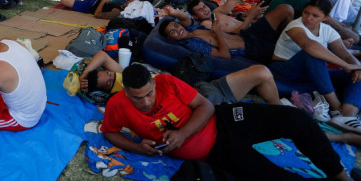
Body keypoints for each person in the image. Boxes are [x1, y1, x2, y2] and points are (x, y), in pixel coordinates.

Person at [101, 63, 361, 181]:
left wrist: (182, 133)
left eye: (149, 94)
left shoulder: (167, 83)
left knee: (295, 118)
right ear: (126, 92)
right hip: (217, 152)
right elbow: (111, 133)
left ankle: (343, 177)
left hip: (225, 118)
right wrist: (138, 148)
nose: (146, 102)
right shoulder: (117, 106)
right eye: (138, 98)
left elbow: (205, 106)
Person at [270, 0, 361, 137]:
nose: (308, 18)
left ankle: (347, 117)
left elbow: (346, 55)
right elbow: (309, 46)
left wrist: (357, 66)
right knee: (314, 54)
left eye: (315, 16)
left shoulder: (328, 30)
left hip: (311, 73)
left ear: (326, 18)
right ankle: (336, 107)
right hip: (285, 70)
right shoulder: (295, 26)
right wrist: (345, 65)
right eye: (306, 13)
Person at [81, 50, 281, 105]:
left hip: (200, 87)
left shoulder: (124, 75)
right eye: (109, 82)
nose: (111, 76)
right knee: (261, 73)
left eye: (108, 73)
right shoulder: (130, 95)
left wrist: (85, 74)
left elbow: (103, 56)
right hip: (201, 99)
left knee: (261, 71)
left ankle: (281, 110)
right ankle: (283, 113)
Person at [158, 2, 294, 64]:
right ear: (171, 38)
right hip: (251, 49)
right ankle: (281, 44)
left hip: (248, 35)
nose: (178, 29)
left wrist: (173, 12)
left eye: (176, 25)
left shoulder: (192, 29)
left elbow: (185, 18)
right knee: (293, 54)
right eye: (172, 31)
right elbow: (224, 55)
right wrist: (217, 32)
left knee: (286, 8)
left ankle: (282, 39)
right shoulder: (192, 44)